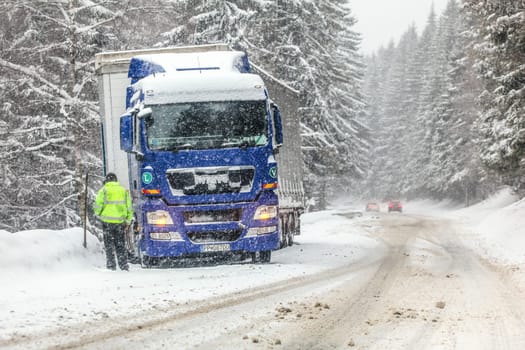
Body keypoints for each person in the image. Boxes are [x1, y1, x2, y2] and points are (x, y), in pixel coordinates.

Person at [94, 173, 133, 271]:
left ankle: (111, 266)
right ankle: (123, 265)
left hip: (107, 222)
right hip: (120, 222)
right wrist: (128, 220)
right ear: (116, 180)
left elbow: (98, 204)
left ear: (106, 180)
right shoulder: (123, 191)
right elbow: (129, 207)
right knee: (120, 244)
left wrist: (98, 213)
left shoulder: (103, 190)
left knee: (109, 245)